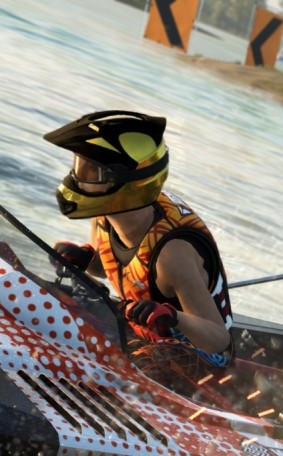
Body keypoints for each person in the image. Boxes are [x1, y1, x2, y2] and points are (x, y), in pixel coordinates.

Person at [42, 110, 234, 374]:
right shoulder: (105, 216)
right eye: (77, 167)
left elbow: (218, 339)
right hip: (141, 333)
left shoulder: (171, 255)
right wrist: (85, 259)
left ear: (122, 182)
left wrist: (172, 316)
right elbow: (112, 268)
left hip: (199, 357)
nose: (76, 180)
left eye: (88, 172)